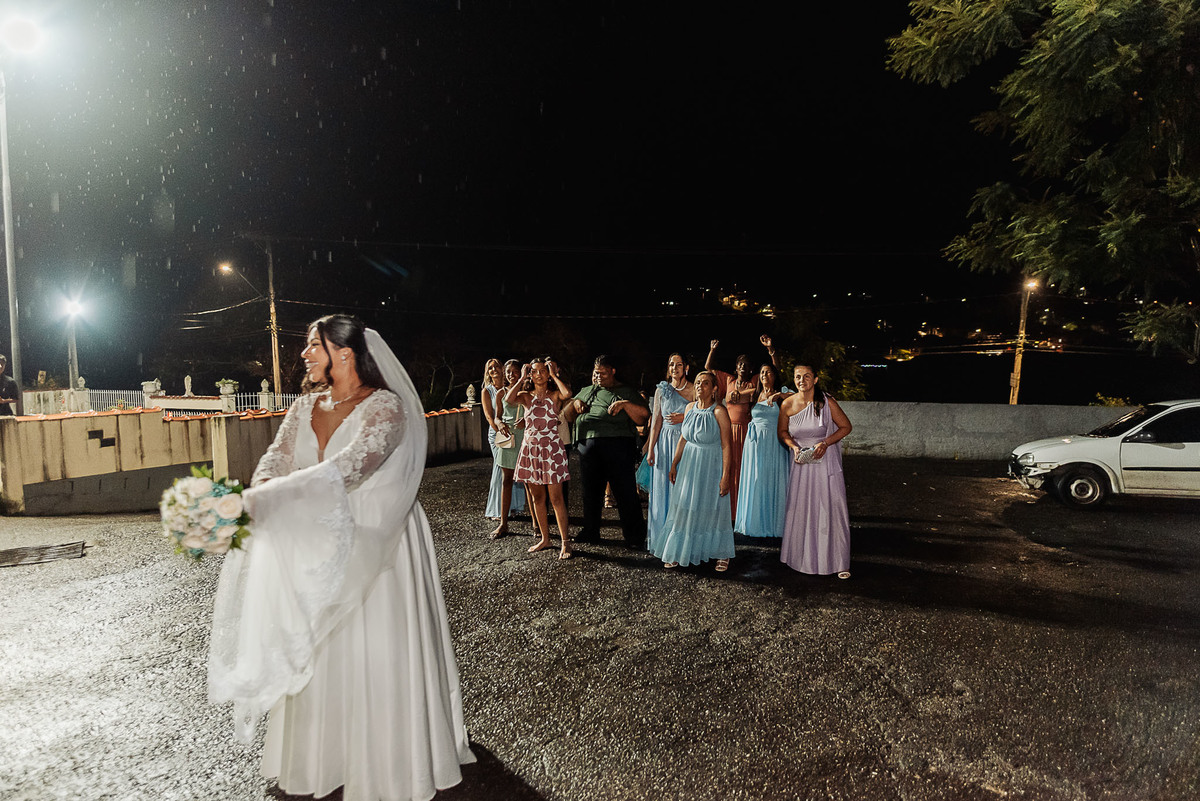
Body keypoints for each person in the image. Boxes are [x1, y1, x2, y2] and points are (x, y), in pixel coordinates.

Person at [207, 314, 474, 801]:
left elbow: (349, 469)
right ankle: (323, 757)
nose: (304, 354)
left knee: (374, 648)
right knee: (320, 650)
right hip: (313, 537)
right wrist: (261, 488)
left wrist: (263, 502)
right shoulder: (303, 406)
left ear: (344, 353)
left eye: (313, 345)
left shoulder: (386, 407)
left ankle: (391, 755)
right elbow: (275, 458)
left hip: (378, 539)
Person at [563, 355, 650, 549]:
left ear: (613, 371)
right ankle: (590, 531)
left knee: (625, 491)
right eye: (596, 372)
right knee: (590, 492)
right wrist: (574, 405)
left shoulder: (626, 391)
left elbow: (643, 418)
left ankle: (634, 536)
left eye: (602, 372)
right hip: (588, 447)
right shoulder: (586, 391)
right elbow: (567, 415)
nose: (598, 376)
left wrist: (625, 404)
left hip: (618, 445)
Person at [652, 371, 735, 571]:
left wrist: (725, 477)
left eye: (705, 383)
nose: (699, 386)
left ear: (714, 389)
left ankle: (721, 553)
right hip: (689, 464)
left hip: (710, 465)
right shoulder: (689, 408)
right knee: (685, 505)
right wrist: (674, 464)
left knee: (711, 508)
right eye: (698, 382)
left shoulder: (719, 412)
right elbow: (683, 438)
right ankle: (680, 549)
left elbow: (726, 446)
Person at [777, 363, 853, 578]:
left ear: (816, 379)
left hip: (824, 461)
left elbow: (846, 426)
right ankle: (799, 557)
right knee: (802, 508)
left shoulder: (826, 402)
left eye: (807, 376)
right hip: (802, 463)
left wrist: (825, 443)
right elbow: (782, 432)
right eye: (798, 377)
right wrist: (793, 447)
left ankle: (837, 561)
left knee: (828, 508)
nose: (802, 380)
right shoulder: (787, 405)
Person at [704, 335, 780, 518]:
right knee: (727, 468)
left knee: (743, 470)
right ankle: (728, 511)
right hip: (728, 431)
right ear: (736, 367)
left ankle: (743, 509)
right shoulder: (728, 381)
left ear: (751, 368)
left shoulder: (753, 382)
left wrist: (771, 350)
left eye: (746, 365)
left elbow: (774, 373)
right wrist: (712, 350)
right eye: (740, 365)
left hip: (746, 432)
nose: (743, 367)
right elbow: (708, 369)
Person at [508, 357, 573, 559]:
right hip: (531, 450)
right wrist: (521, 378)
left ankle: (565, 542)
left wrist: (554, 373)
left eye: (542, 371)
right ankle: (545, 538)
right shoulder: (526, 396)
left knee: (556, 498)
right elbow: (509, 399)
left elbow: (567, 394)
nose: (538, 374)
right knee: (537, 498)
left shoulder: (555, 396)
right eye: (534, 371)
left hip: (551, 451)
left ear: (548, 373)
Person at [734, 363, 791, 539]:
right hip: (754, 443)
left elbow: (796, 396)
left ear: (774, 375)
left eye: (768, 372)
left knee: (771, 478)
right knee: (756, 477)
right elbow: (732, 397)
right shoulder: (755, 393)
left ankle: (774, 523)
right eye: (762, 372)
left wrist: (779, 395)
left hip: (774, 442)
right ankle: (753, 522)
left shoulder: (783, 393)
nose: (764, 374)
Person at [645, 353, 694, 553]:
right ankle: (661, 540)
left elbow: (700, 413)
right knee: (662, 489)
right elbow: (656, 420)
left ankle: (681, 540)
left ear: (686, 368)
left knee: (682, 491)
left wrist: (684, 416)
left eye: (679, 364)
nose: (675, 368)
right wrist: (650, 449)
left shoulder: (693, 389)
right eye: (671, 364)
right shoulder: (661, 390)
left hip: (684, 442)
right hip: (663, 443)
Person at [490, 359, 527, 538]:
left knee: (528, 481)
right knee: (506, 480)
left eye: (514, 371)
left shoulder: (528, 392)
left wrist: (526, 421)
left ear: (521, 373)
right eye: (508, 372)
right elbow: (496, 417)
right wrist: (500, 424)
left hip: (524, 438)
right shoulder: (500, 393)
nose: (510, 375)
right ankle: (503, 524)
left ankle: (537, 526)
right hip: (507, 439)